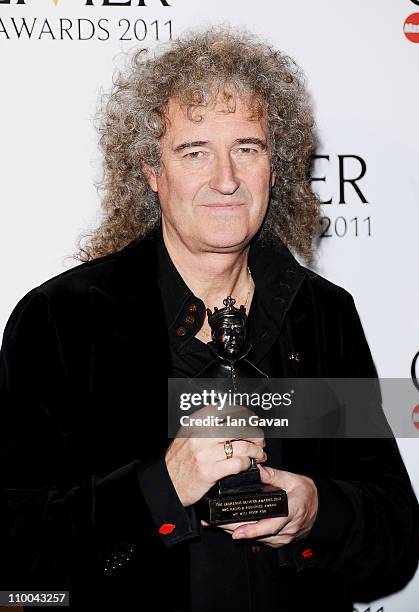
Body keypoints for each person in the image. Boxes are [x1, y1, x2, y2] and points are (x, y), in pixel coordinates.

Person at [0, 26, 417, 612]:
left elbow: (395, 532)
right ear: (151, 171)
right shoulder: (64, 323)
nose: (226, 179)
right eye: (194, 151)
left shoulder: (322, 314)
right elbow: (15, 547)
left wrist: (316, 511)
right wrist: (158, 490)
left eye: (247, 148)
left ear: (275, 165)